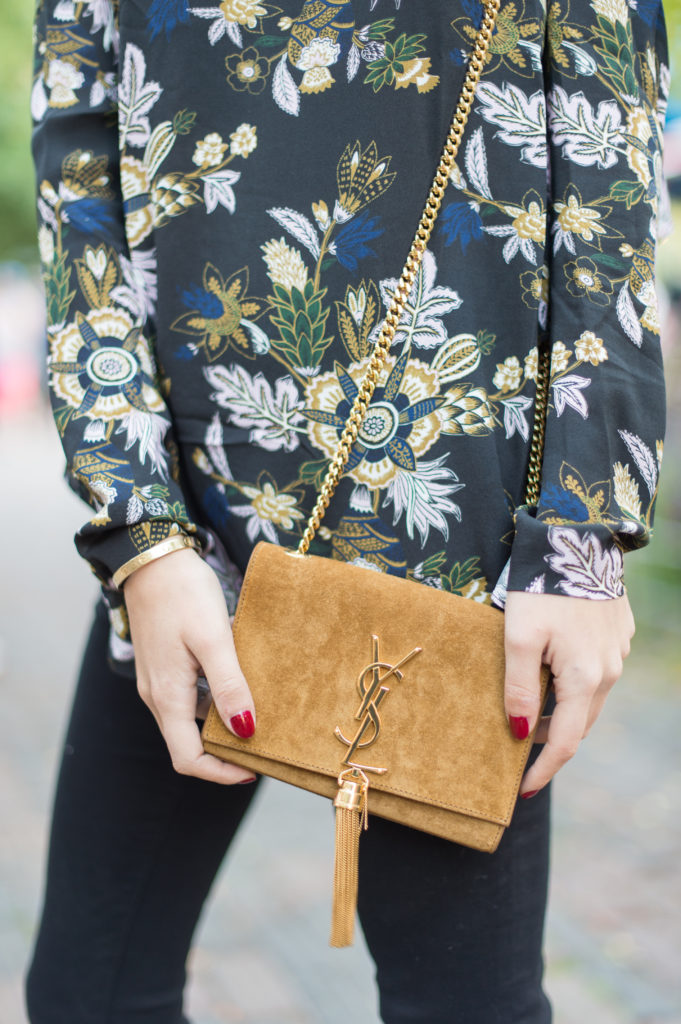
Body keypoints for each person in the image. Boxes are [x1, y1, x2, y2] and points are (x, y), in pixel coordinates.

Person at [25, 1, 668, 1021]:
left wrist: (583, 530)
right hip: (189, 556)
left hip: (449, 557)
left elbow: (609, 178)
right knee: (88, 990)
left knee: (462, 1006)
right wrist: (140, 534)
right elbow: (80, 194)